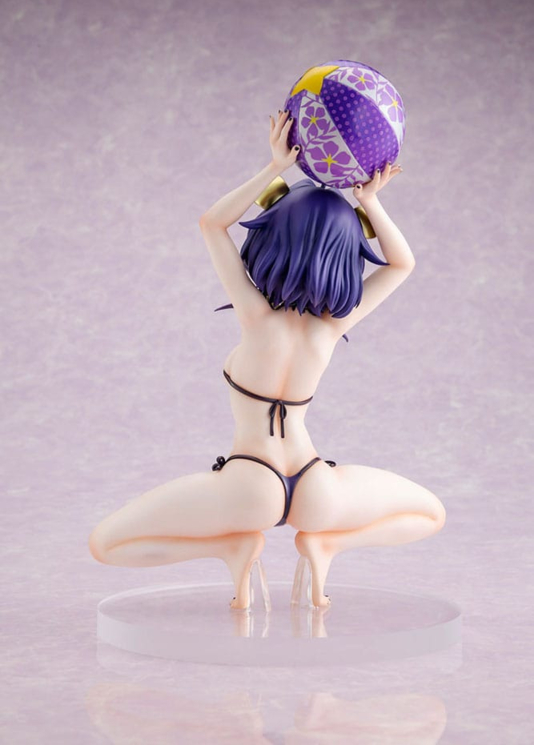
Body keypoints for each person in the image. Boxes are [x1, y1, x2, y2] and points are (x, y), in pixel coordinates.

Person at [88, 110, 446, 610]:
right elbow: (402, 264)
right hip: (315, 483)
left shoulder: (255, 315)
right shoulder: (330, 327)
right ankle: (327, 545)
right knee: (431, 514)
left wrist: (275, 167)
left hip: (249, 482)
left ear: (270, 237)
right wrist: (370, 201)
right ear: (347, 256)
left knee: (106, 544)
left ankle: (230, 548)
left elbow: (212, 224)